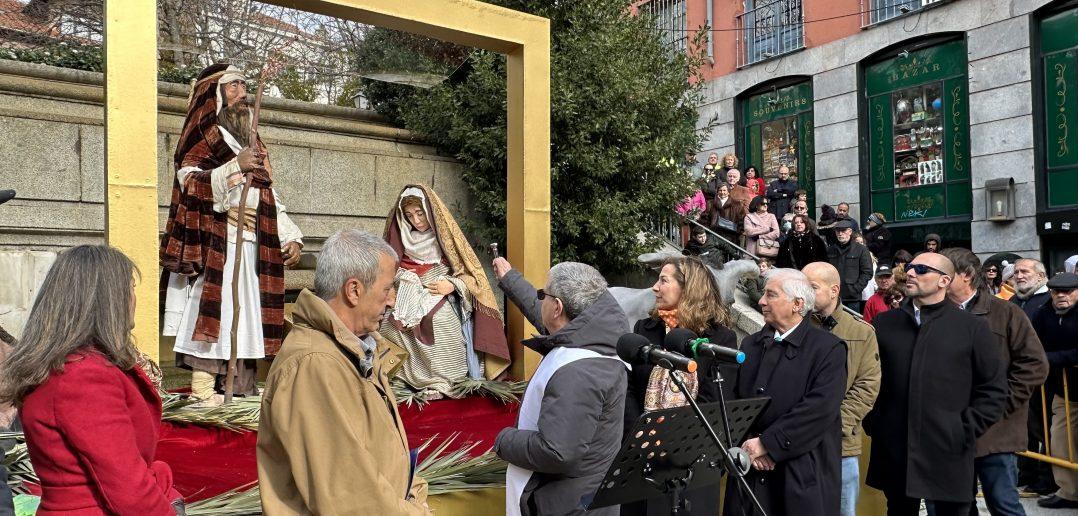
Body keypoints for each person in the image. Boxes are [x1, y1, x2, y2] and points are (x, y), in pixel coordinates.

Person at [257, 229, 431, 514]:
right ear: (354, 290)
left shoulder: (354, 349)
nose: (392, 300)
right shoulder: (313, 366)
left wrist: (414, 495)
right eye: (387, 288)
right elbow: (350, 498)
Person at [0, 245, 183, 514]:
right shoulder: (84, 376)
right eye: (130, 288)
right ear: (108, 298)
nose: (134, 298)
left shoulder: (64, 366)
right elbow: (130, 491)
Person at [161, 63, 304, 404]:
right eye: (233, 86)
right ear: (214, 95)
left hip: (254, 246)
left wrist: (290, 236)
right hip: (218, 244)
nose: (241, 93)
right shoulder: (204, 133)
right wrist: (234, 167)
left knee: (248, 316)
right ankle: (202, 391)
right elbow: (189, 181)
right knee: (215, 313)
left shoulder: (252, 140)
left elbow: (268, 195)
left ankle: (237, 391)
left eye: (244, 84)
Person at [865, 252, 1007, 516]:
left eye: (921, 269)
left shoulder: (971, 327)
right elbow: (867, 380)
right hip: (895, 448)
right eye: (909, 267)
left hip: (948, 449)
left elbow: (993, 388)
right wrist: (876, 422)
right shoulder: (885, 323)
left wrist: (963, 428)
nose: (910, 273)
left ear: (944, 281)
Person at [491, 258, 628, 516]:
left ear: (557, 307)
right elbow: (541, 314)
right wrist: (510, 279)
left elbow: (557, 451)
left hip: (569, 506)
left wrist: (503, 440)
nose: (539, 299)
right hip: (580, 497)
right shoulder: (591, 333)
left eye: (544, 294)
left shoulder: (578, 371)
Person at [723, 268, 847, 516]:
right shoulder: (751, 344)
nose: (761, 301)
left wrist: (768, 444)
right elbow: (733, 400)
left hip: (800, 473)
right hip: (749, 470)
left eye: (771, 294)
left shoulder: (828, 348)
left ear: (797, 304)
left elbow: (818, 409)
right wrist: (750, 448)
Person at [935, 247, 1048, 516]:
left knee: (1003, 503)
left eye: (944, 274)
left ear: (967, 276)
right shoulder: (933, 314)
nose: (937, 280)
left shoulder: (1006, 313)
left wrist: (1000, 404)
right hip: (949, 430)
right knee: (956, 505)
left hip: (996, 433)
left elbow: (1035, 364)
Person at [622, 256, 737, 516]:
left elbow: (715, 400)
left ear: (689, 288)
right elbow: (629, 388)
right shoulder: (644, 329)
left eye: (663, 280)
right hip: (642, 458)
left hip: (692, 461)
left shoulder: (719, 338)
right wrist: (639, 435)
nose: (654, 288)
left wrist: (673, 443)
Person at [379, 185, 511, 398]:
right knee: (389, 324)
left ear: (430, 212)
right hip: (408, 293)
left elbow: (472, 277)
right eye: (410, 215)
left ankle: (444, 382)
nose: (417, 220)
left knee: (439, 323)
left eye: (420, 213)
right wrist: (395, 288)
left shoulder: (447, 239)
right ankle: (403, 380)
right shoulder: (403, 238)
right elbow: (389, 270)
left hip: (441, 293)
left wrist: (452, 285)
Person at [803, 262, 881, 516]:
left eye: (812, 287)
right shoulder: (794, 328)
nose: (805, 293)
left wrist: (834, 425)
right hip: (797, 443)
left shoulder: (861, 332)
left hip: (842, 444)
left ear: (834, 290)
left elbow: (867, 387)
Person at [1029, 273, 1078, 509]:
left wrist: (1051, 359)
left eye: (1067, 291)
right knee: (1060, 441)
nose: (1061, 296)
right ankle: (1069, 491)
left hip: (1067, 380)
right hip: (1063, 390)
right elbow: (1030, 340)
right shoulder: (1044, 312)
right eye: (1056, 291)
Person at [827, 220, 873, 312]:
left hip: (852, 297)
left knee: (852, 324)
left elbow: (867, 272)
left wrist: (856, 289)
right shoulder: (830, 250)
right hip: (834, 296)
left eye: (843, 231)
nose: (840, 234)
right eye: (838, 231)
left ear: (850, 232)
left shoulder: (861, 249)